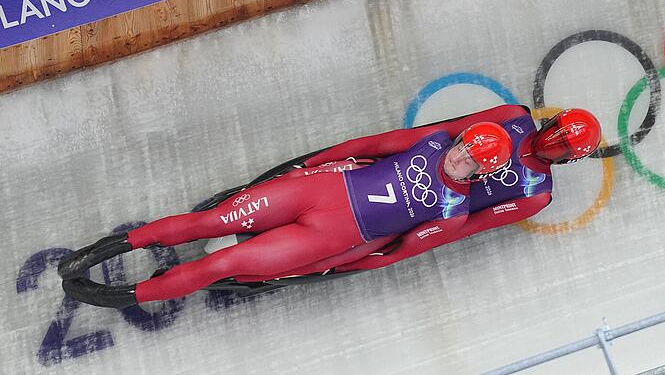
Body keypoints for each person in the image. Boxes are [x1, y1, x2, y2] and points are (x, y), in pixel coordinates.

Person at [59, 122, 513, 308]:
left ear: (479, 175)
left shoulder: (452, 213)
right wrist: (315, 163)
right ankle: (103, 249)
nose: (458, 159)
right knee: (213, 221)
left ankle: (119, 297)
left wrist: (333, 265)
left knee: (222, 264)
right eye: (463, 148)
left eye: (470, 162)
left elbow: (398, 251)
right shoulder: (433, 141)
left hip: (331, 235)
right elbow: (371, 147)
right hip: (321, 190)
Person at [209, 105, 602, 282]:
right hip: (396, 197)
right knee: (328, 252)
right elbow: (443, 137)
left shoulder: (519, 140)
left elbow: (462, 220)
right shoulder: (534, 186)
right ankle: (257, 252)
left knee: (329, 243)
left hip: (400, 204)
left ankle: (251, 253)